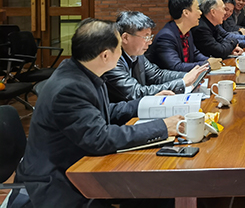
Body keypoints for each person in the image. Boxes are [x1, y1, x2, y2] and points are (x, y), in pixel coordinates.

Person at [14, 19, 181, 208]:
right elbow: (100, 138)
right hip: (58, 184)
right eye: (119, 48)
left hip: (81, 168)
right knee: (158, 191)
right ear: (105, 55)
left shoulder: (82, 72)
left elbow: (106, 111)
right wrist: (161, 127)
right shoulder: (69, 88)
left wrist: (147, 103)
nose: (121, 53)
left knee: (160, 190)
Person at [104, 11, 206, 102]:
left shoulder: (138, 55)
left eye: (150, 36)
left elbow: (157, 75)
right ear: (125, 38)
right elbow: (136, 92)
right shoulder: (113, 61)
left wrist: (188, 76)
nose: (150, 42)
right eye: (146, 37)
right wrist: (182, 83)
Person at [146, 0, 211, 72]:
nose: (200, 13)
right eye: (197, 8)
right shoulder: (166, 37)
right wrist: (207, 64)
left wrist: (210, 60)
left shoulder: (187, 32)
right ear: (186, 13)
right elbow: (176, 67)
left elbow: (195, 54)